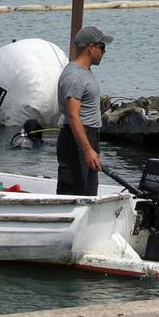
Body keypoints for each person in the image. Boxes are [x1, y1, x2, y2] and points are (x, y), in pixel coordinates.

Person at [56, 25, 112, 195]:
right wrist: (87, 150)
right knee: (73, 196)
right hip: (77, 141)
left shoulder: (84, 72)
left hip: (88, 137)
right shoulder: (75, 77)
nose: (104, 52)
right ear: (91, 47)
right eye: (102, 47)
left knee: (88, 194)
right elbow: (73, 116)